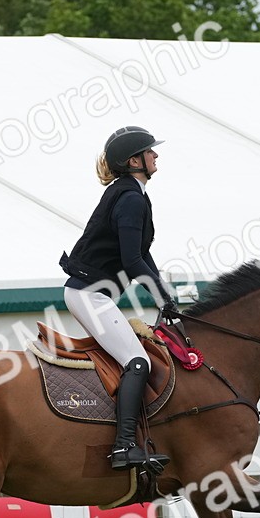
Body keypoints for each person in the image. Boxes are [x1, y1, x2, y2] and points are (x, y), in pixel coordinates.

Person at [59, 126, 179, 471]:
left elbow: (142, 254)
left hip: (93, 294)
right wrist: (160, 296)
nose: (156, 156)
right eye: (150, 151)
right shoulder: (129, 199)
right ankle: (124, 446)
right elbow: (132, 262)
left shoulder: (133, 193)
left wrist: (164, 296)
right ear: (134, 160)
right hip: (88, 296)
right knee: (137, 362)